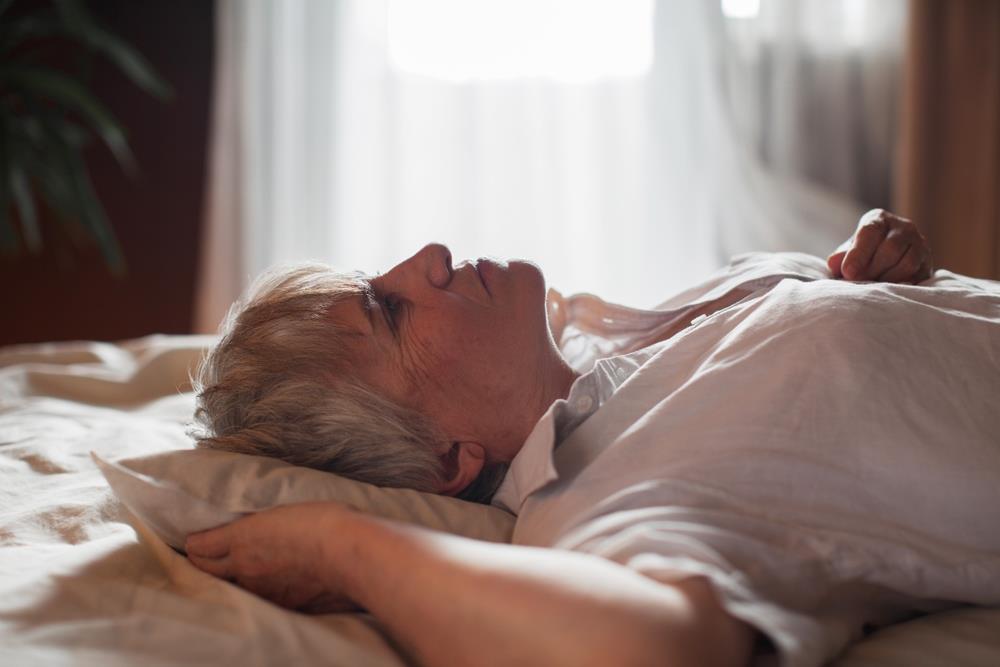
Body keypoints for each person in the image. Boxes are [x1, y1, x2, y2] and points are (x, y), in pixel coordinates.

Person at [186, 209, 1000, 667]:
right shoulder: (599, 492)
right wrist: (342, 547)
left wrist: (892, 258)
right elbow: (643, 647)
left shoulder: (628, 340)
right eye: (388, 311)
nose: (428, 255)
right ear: (446, 457)